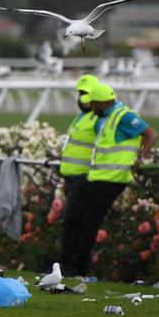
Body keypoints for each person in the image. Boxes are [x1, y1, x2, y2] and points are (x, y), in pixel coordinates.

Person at [67, 82, 158, 274]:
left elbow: (151, 134)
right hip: (99, 177)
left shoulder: (124, 116)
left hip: (113, 178)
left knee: (89, 224)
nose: (90, 108)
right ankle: (73, 265)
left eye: (92, 104)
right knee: (84, 222)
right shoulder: (108, 117)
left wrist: (141, 157)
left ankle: (78, 268)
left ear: (100, 103)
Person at [57, 74, 99, 270]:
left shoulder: (98, 119)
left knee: (74, 221)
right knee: (70, 222)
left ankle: (71, 264)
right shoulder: (80, 117)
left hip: (85, 178)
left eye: (85, 94)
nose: (81, 98)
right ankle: (66, 263)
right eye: (80, 93)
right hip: (71, 177)